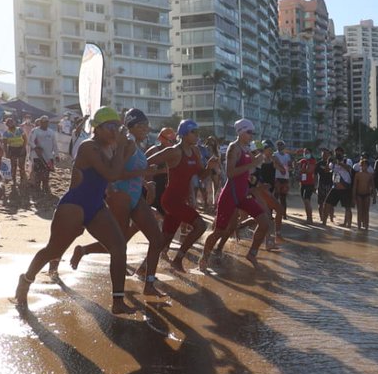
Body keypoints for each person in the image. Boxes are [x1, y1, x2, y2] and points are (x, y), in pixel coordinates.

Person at [15, 107, 137, 315]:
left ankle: (117, 301)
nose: (115, 131)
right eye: (110, 127)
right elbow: (112, 173)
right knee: (53, 250)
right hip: (74, 206)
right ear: (97, 129)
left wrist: (125, 150)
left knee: (118, 247)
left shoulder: (110, 147)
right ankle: (25, 279)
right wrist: (123, 148)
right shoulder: (88, 146)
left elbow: (116, 172)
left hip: (96, 206)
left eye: (117, 126)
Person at [66, 109, 169, 297]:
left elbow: (133, 169)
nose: (146, 129)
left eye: (147, 125)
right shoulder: (127, 144)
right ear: (130, 127)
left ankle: (149, 284)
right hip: (120, 197)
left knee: (157, 239)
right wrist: (145, 174)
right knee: (119, 245)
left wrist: (147, 182)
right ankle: (84, 251)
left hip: (136, 196)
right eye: (141, 125)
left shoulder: (137, 144)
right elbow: (116, 174)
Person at [199, 119, 273, 270]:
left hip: (242, 194)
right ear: (241, 132)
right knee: (219, 231)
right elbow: (230, 173)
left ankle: (252, 253)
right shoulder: (234, 148)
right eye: (249, 132)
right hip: (230, 195)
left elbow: (252, 166)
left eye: (253, 133)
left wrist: (252, 171)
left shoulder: (247, 148)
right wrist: (252, 164)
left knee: (265, 222)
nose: (252, 135)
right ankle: (204, 257)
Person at [149, 119, 214, 272]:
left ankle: (143, 268)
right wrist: (146, 181)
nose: (197, 135)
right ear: (184, 134)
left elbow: (201, 175)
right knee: (201, 226)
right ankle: (178, 259)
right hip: (171, 200)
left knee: (165, 239)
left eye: (198, 132)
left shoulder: (195, 152)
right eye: (194, 132)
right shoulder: (174, 151)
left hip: (180, 200)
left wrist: (210, 167)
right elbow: (147, 161)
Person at [28, 115, 58, 195]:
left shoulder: (51, 132)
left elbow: (54, 144)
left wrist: (57, 155)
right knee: (37, 172)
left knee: (47, 172)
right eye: (43, 122)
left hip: (49, 156)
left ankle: (45, 186)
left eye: (46, 122)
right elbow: (30, 141)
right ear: (40, 122)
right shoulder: (35, 131)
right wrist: (36, 147)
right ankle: (37, 187)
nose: (45, 123)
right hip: (38, 155)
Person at [272, 140, 292, 235]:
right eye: (278, 145)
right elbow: (274, 164)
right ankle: (272, 213)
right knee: (275, 196)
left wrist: (288, 167)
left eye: (281, 145)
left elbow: (290, 166)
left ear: (284, 146)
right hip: (277, 178)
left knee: (283, 197)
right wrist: (283, 168)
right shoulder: (274, 154)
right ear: (276, 146)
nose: (280, 146)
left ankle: (284, 214)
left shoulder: (287, 156)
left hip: (285, 178)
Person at [2, 117, 26, 189]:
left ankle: (22, 180)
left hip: (21, 148)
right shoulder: (6, 133)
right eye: (8, 123)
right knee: (13, 166)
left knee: (21, 166)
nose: (10, 124)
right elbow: (5, 144)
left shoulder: (20, 130)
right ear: (7, 124)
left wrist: (23, 148)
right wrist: (6, 153)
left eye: (11, 122)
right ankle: (14, 181)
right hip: (12, 150)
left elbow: (25, 139)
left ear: (14, 123)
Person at [353, 155, 374, 231]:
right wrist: (353, 197)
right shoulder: (357, 175)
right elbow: (355, 186)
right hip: (359, 194)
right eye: (362, 166)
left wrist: (374, 197)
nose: (363, 167)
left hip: (367, 195)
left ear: (368, 166)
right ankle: (359, 227)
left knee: (366, 211)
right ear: (360, 166)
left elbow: (373, 187)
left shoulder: (370, 175)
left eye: (365, 166)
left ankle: (366, 227)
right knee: (359, 211)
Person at [298, 148, 317, 223]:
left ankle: (310, 218)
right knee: (305, 201)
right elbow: (296, 165)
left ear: (311, 153)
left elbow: (310, 170)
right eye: (304, 152)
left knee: (307, 200)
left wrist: (302, 170)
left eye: (307, 152)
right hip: (303, 183)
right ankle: (308, 217)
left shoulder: (312, 161)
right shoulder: (303, 160)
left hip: (310, 183)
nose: (305, 153)